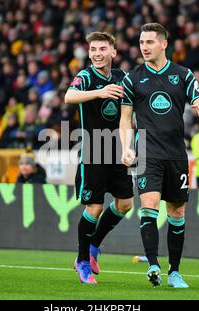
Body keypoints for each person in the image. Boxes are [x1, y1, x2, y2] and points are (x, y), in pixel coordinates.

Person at [120, 23, 199, 288]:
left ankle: (174, 272)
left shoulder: (182, 74)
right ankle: (152, 265)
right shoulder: (132, 78)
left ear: (163, 44)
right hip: (147, 151)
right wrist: (126, 146)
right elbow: (126, 120)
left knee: (177, 211)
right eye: (141, 42)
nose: (144, 47)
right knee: (148, 207)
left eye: (149, 42)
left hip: (176, 153)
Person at [64, 32, 133, 284]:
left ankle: (93, 247)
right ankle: (82, 260)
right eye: (93, 49)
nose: (97, 53)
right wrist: (99, 92)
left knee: (125, 204)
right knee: (94, 207)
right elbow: (69, 97)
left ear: (113, 52)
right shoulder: (85, 77)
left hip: (117, 149)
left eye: (102, 48)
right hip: (93, 149)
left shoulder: (122, 77)